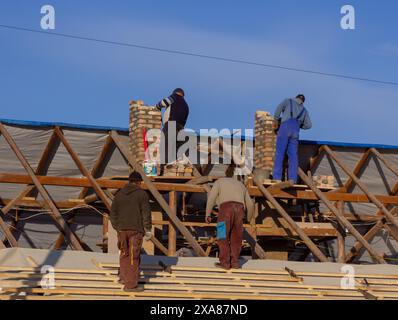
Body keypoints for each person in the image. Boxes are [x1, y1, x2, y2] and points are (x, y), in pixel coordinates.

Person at [110, 171, 153, 292]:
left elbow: (112, 214)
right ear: (139, 182)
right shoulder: (142, 194)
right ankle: (130, 285)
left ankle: (123, 278)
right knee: (134, 257)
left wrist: (117, 227)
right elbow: (146, 213)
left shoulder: (119, 194)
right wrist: (148, 229)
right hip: (135, 230)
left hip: (122, 230)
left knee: (124, 254)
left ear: (129, 181)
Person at [205, 167, 254, 270]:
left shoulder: (219, 182)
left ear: (224, 174)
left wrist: (207, 214)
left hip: (225, 210)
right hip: (239, 210)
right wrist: (248, 218)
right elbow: (250, 204)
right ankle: (235, 263)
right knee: (236, 238)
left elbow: (211, 198)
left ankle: (225, 263)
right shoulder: (241, 185)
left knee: (222, 236)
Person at [273, 94, 312, 184]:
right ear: (303, 102)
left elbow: (279, 108)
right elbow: (309, 125)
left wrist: (275, 120)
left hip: (285, 128)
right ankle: (293, 180)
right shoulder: (304, 110)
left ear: (296, 98)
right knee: (293, 156)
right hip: (295, 131)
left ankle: (277, 178)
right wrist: (300, 125)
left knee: (280, 153)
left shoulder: (288, 101)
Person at [155, 88, 189, 165]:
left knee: (166, 145)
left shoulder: (174, 97)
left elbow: (164, 102)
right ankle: (178, 162)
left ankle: (167, 164)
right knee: (178, 147)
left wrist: (157, 107)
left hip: (171, 125)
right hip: (181, 128)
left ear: (175, 93)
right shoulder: (186, 105)